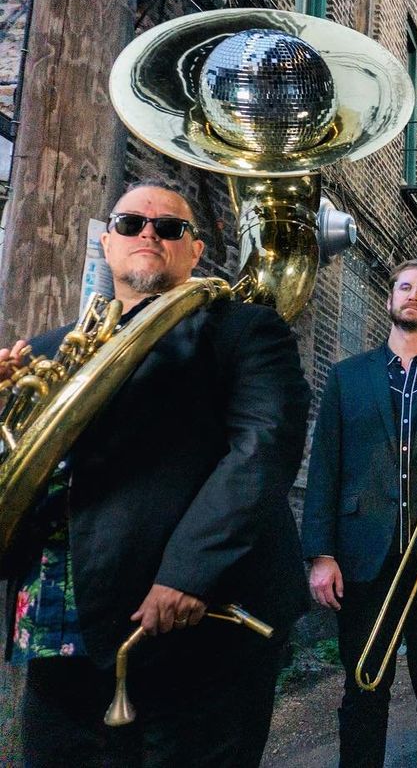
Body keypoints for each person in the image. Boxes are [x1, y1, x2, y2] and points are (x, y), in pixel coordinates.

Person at [1, 182, 311, 766]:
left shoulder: (243, 330)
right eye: (130, 224)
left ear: (195, 251)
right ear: (107, 243)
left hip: (189, 620)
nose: (148, 233)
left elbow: (261, 450)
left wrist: (189, 573)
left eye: (169, 228)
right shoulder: (48, 350)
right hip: (59, 617)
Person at [302, 257, 417, 768]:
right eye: (405, 287)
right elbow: (324, 467)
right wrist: (321, 554)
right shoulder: (346, 377)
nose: (414, 295)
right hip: (365, 558)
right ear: (390, 298)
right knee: (363, 688)